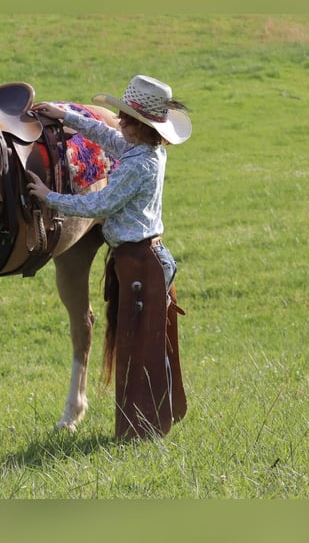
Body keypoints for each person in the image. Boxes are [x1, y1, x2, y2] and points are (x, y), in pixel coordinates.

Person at [27, 74, 191, 440]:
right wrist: (66, 116)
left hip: (139, 263)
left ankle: (141, 430)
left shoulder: (138, 165)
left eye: (126, 118)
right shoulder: (145, 151)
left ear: (140, 127)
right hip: (139, 261)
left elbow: (98, 203)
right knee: (142, 346)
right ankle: (144, 426)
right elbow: (105, 137)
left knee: (139, 348)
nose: (119, 122)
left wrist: (47, 195)